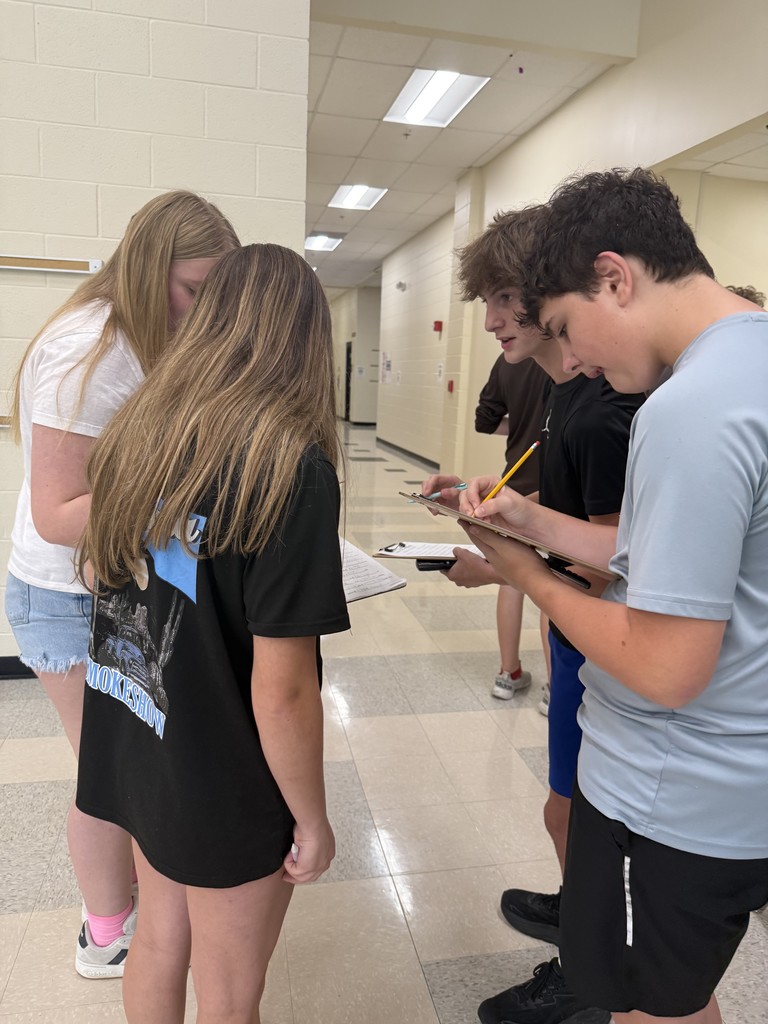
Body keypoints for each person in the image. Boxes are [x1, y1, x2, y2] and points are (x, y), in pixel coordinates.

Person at [462, 168, 768, 1024]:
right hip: (736, 789)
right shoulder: (752, 360)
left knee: (643, 1008)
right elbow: (676, 560)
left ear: (614, 276)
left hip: (668, 801)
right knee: (678, 996)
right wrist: (533, 521)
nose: (577, 361)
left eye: (563, 329)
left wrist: (521, 574)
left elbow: (666, 666)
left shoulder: (690, 408)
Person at [75, 243, 350, 1024]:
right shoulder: (288, 467)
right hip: (223, 768)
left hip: (143, 732)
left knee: (159, 941)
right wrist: (313, 816)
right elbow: (285, 689)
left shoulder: (142, 429)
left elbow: (101, 575)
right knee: (230, 994)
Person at [5, 191, 239, 977]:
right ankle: (107, 935)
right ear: (149, 268)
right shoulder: (91, 350)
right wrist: (181, 494)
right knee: (108, 778)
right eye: (195, 291)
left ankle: (133, 908)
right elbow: (59, 513)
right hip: (67, 597)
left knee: (129, 769)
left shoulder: (139, 339)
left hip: (105, 587)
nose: (201, 312)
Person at [424, 206, 642, 1024]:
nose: (491, 321)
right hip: (577, 635)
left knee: (577, 813)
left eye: (504, 298)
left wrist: (515, 559)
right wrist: (501, 532)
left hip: (607, 644)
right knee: (568, 810)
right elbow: (571, 512)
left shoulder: (608, 406)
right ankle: (583, 925)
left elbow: (614, 551)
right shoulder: (566, 398)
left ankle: (592, 962)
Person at [475, 353, 549, 701]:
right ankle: (556, 688)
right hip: (559, 483)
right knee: (559, 580)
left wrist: (519, 423)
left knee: (511, 577)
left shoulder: (507, 361)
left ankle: (508, 672)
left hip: (515, 481)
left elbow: (484, 421)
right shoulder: (566, 357)